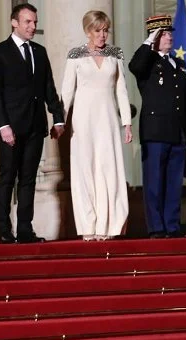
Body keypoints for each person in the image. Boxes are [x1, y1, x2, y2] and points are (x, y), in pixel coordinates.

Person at [0, 3, 65, 244]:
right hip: (9, 128)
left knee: (29, 178)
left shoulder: (39, 52)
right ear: (14, 22)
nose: (33, 26)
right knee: (8, 176)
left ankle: (25, 230)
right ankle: (3, 230)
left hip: (35, 126)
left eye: (35, 22)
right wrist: (2, 126)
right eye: (28, 22)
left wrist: (57, 118)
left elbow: (49, 88)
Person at [60, 10, 132, 241]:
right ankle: (88, 226)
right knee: (85, 170)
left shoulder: (115, 53)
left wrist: (127, 123)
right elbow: (67, 91)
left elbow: (122, 90)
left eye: (105, 30)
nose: (103, 35)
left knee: (109, 169)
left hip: (108, 119)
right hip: (82, 120)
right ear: (88, 31)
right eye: (98, 30)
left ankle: (108, 225)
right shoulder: (76, 54)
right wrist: (59, 121)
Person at [129, 15, 186, 239]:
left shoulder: (179, 63)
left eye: (169, 33)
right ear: (153, 37)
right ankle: (156, 227)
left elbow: (185, 100)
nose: (169, 37)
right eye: (163, 34)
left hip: (176, 131)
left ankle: (172, 226)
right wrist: (149, 41)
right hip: (155, 132)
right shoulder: (148, 62)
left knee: (174, 183)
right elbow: (134, 66)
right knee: (154, 181)